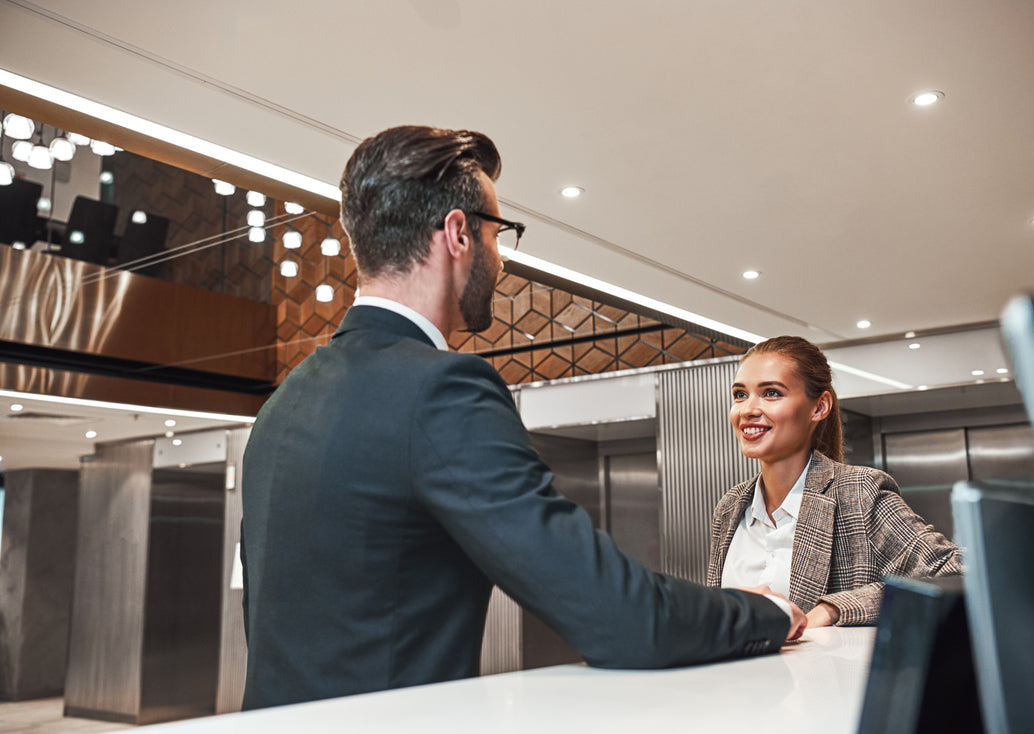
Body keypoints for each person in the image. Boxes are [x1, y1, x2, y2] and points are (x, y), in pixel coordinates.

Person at [239, 125, 805, 710]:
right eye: (497, 234)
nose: (501, 260)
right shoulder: (442, 388)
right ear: (459, 233)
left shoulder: (283, 403)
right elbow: (621, 616)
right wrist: (762, 612)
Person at [706, 336, 961, 627]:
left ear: (819, 407)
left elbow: (957, 573)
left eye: (772, 393)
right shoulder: (731, 506)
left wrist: (833, 609)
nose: (747, 409)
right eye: (740, 394)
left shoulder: (859, 492)